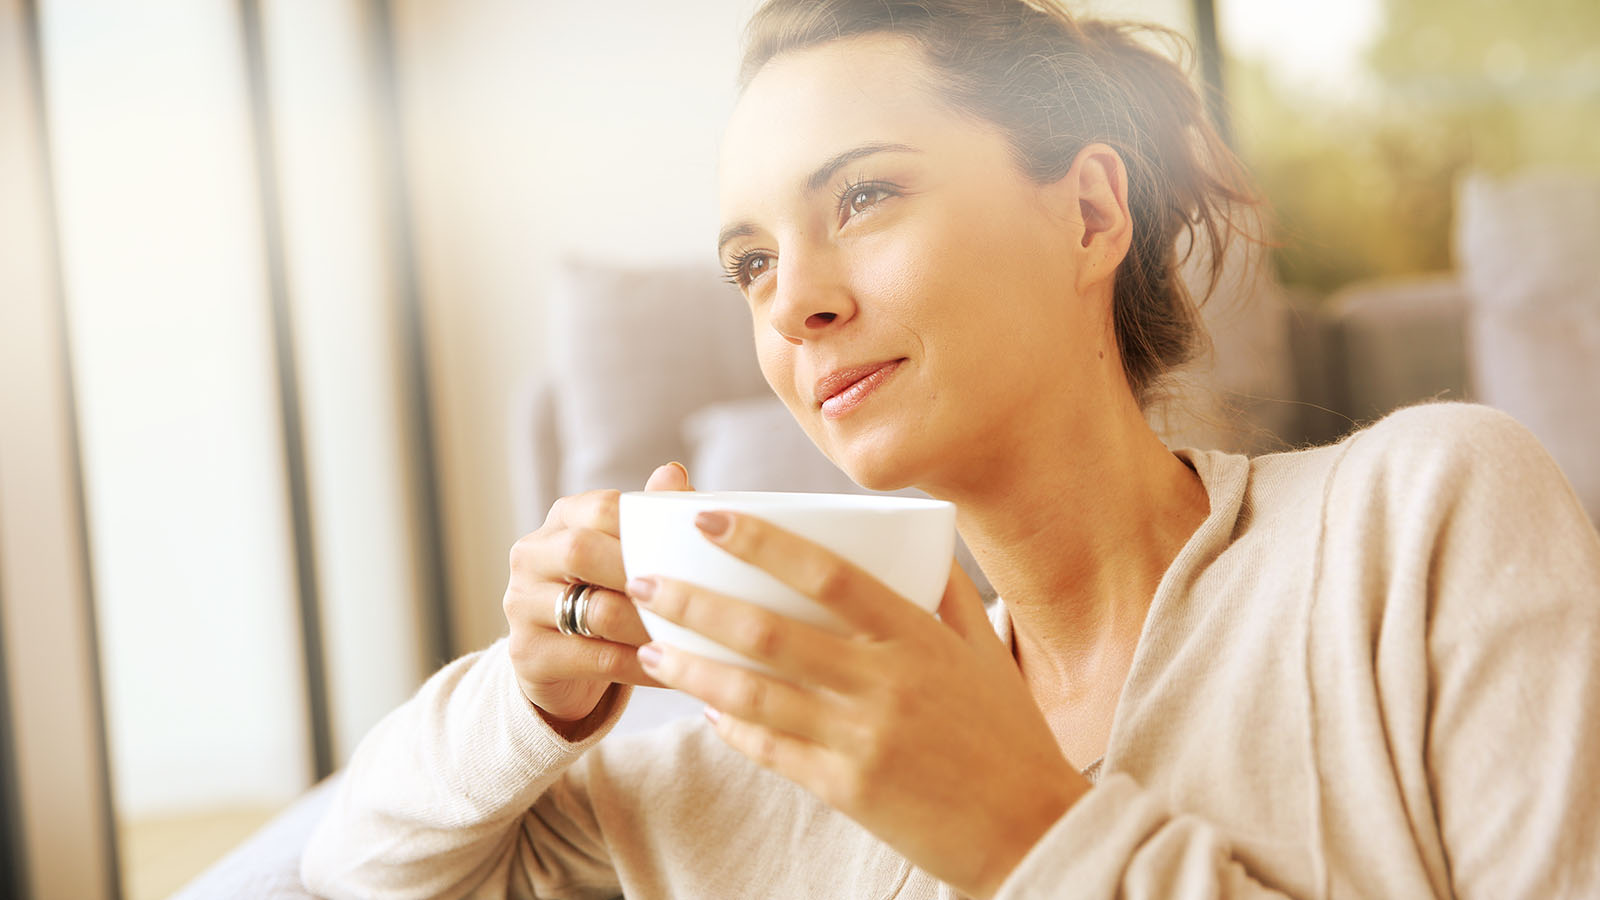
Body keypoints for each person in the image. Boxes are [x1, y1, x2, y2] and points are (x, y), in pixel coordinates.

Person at [301, 1, 1600, 897]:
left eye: (864, 195)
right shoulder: (766, 737)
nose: (791, 301)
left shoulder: (1421, 524)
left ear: (1091, 212)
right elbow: (355, 865)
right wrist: (529, 696)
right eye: (749, 261)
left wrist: (1025, 831)